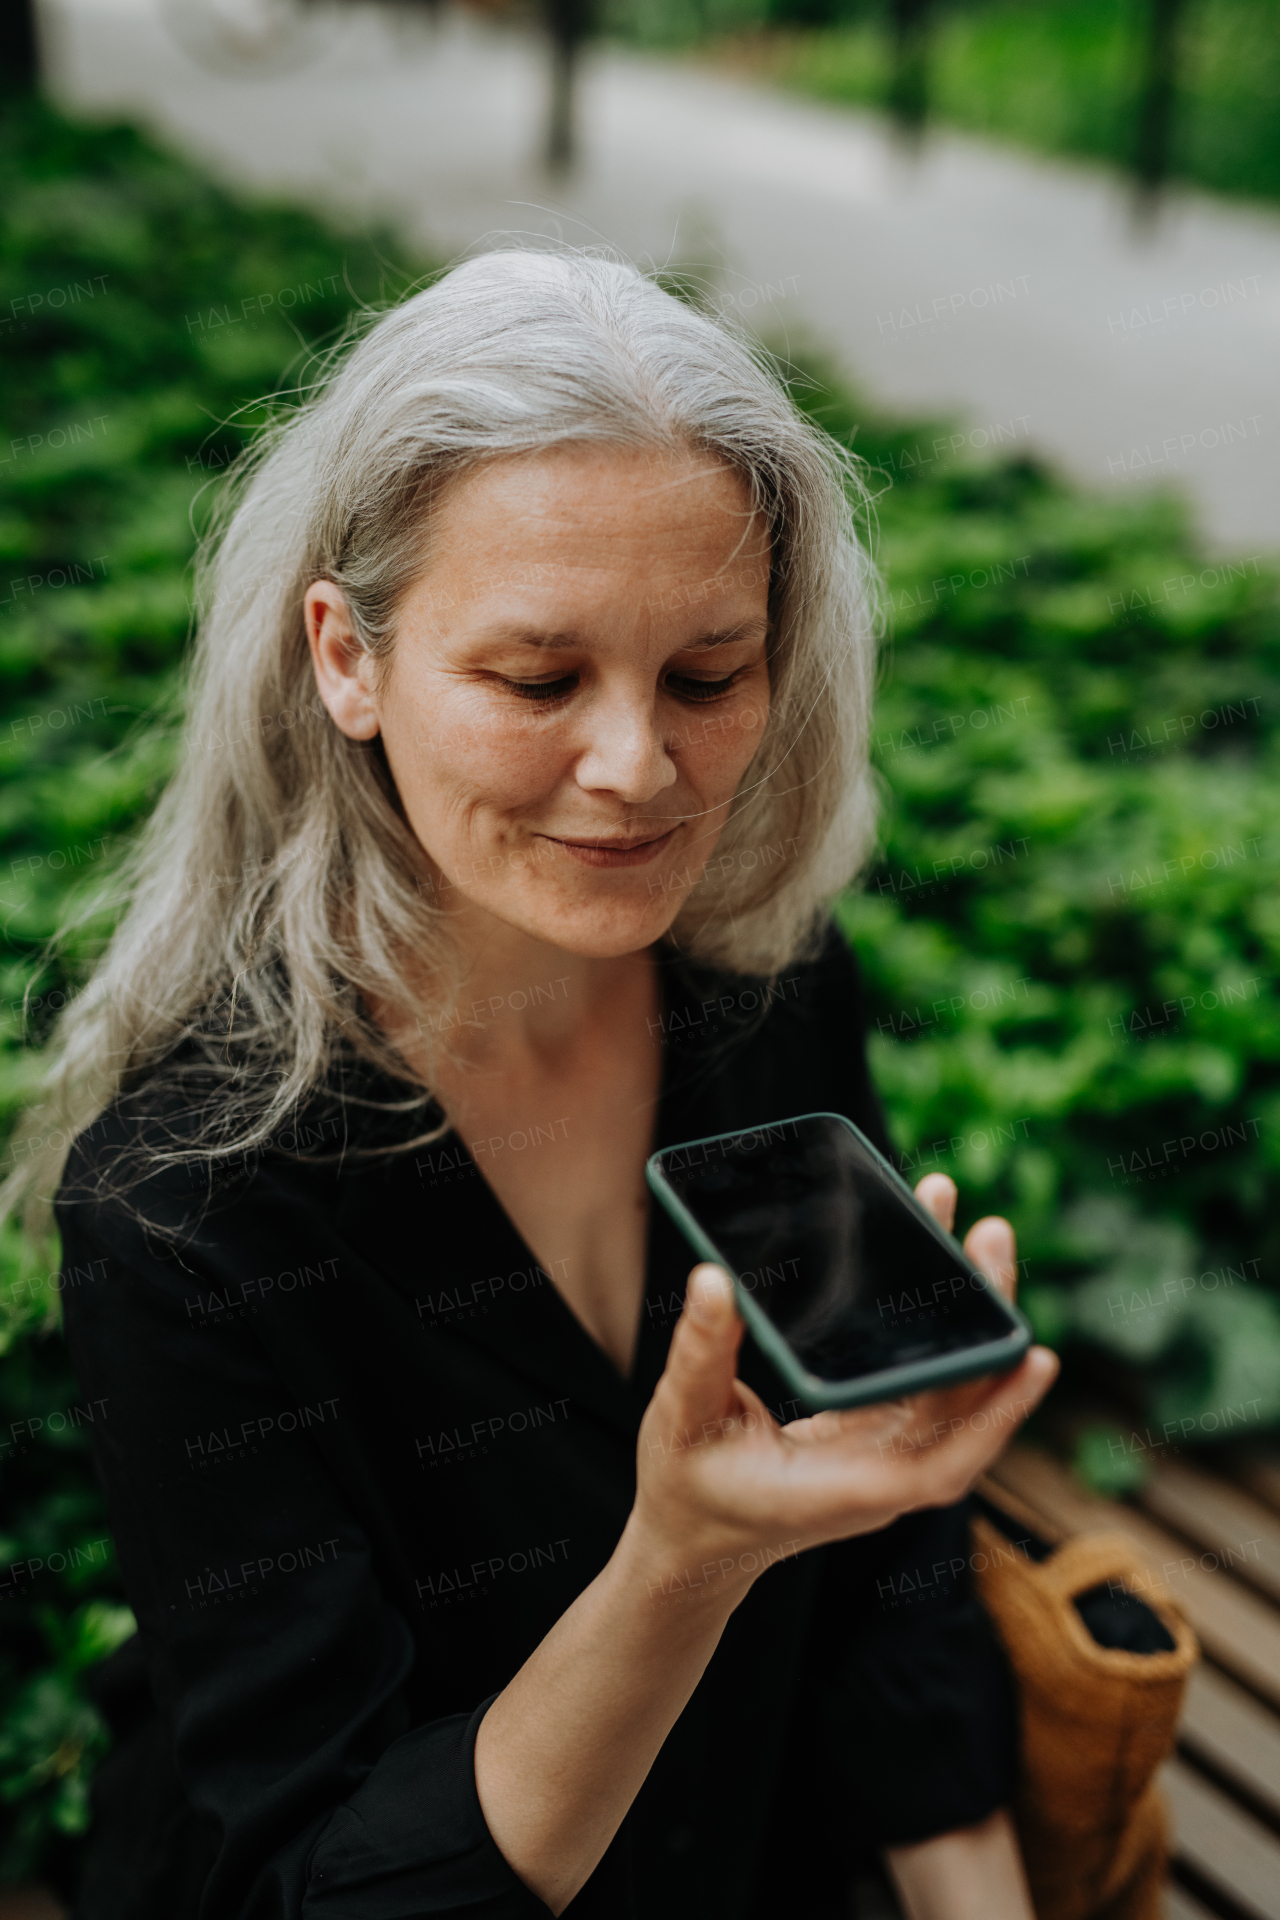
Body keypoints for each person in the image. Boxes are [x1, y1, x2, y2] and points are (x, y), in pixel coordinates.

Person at [18, 251, 1057, 1919]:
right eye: (537, 679)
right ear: (345, 660)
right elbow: (325, 1881)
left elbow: (888, 1573)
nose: (637, 770)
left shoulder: (766, 997)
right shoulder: (190, 1197)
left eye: (708, 676)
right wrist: (682, 1563)